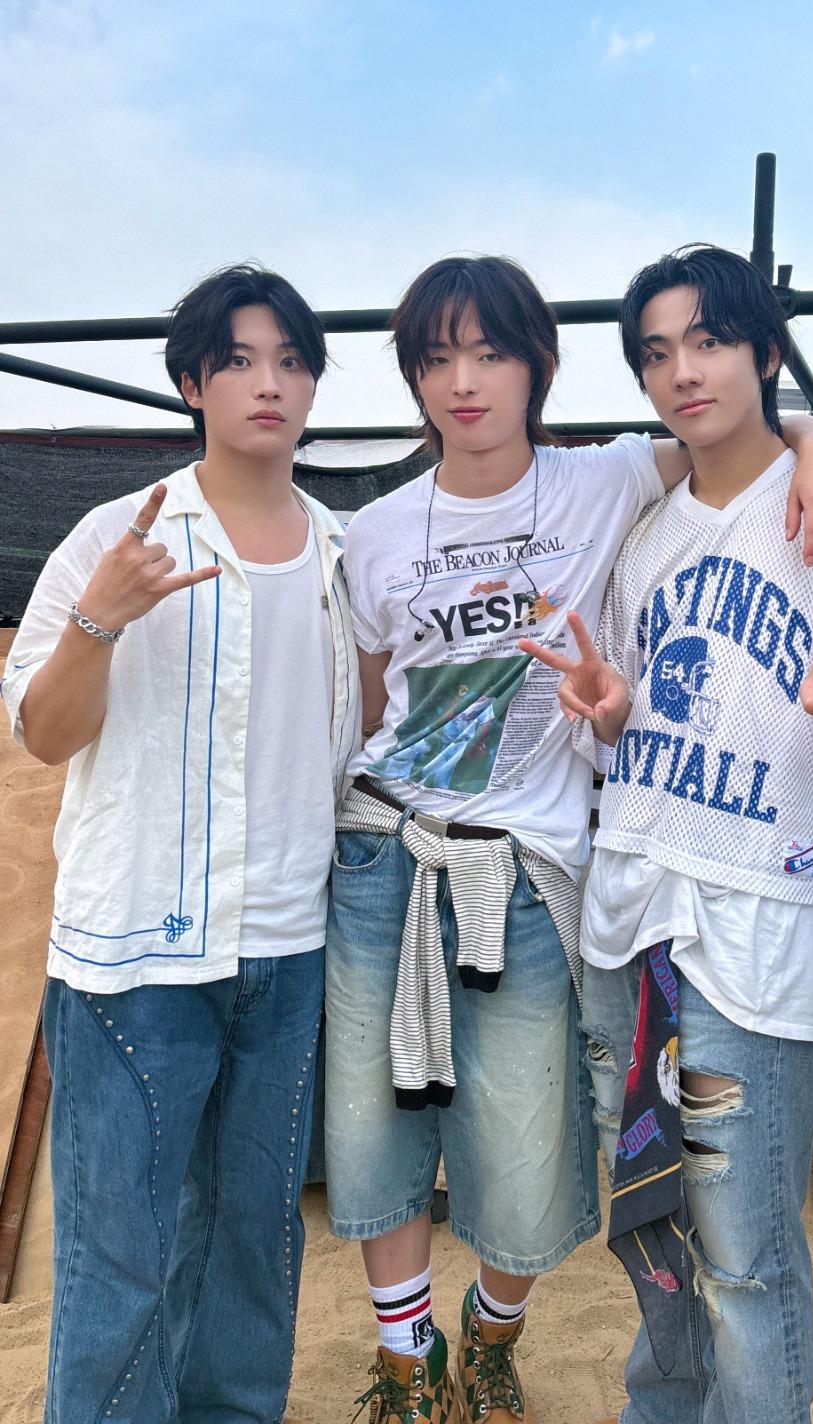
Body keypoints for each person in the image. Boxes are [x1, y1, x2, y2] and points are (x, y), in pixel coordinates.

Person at [322, 253, 813, 1424]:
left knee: (526, 1138)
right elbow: (371, 705)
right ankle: (406, 1361)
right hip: (386, 852)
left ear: (538, 366)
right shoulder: (371, 531)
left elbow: (729, 432)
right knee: (374, 1129)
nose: (463, 382)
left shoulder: (602, 478)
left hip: (529, 869)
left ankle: (491, 1334)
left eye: (489, 352)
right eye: (436, 358)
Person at [520, 244, 813, 1424]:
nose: (682, 371)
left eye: (706, 341)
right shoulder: (644, 533)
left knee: (745, 1256)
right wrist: (608, 712)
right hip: (629, 917)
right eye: (656, 352)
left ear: (762, 349)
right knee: (651, 1230)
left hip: (753, 924)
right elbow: (624, 721)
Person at [1, 264, 360, 1422]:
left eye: (291, 361)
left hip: (286, 946)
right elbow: (44, 735)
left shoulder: (343, 552)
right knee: (122, 1254)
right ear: (193, 383)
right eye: (240, 361)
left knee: (254, 1238)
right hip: (133, 959)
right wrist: (99, 620)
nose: (269, 383)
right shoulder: (114, 534)